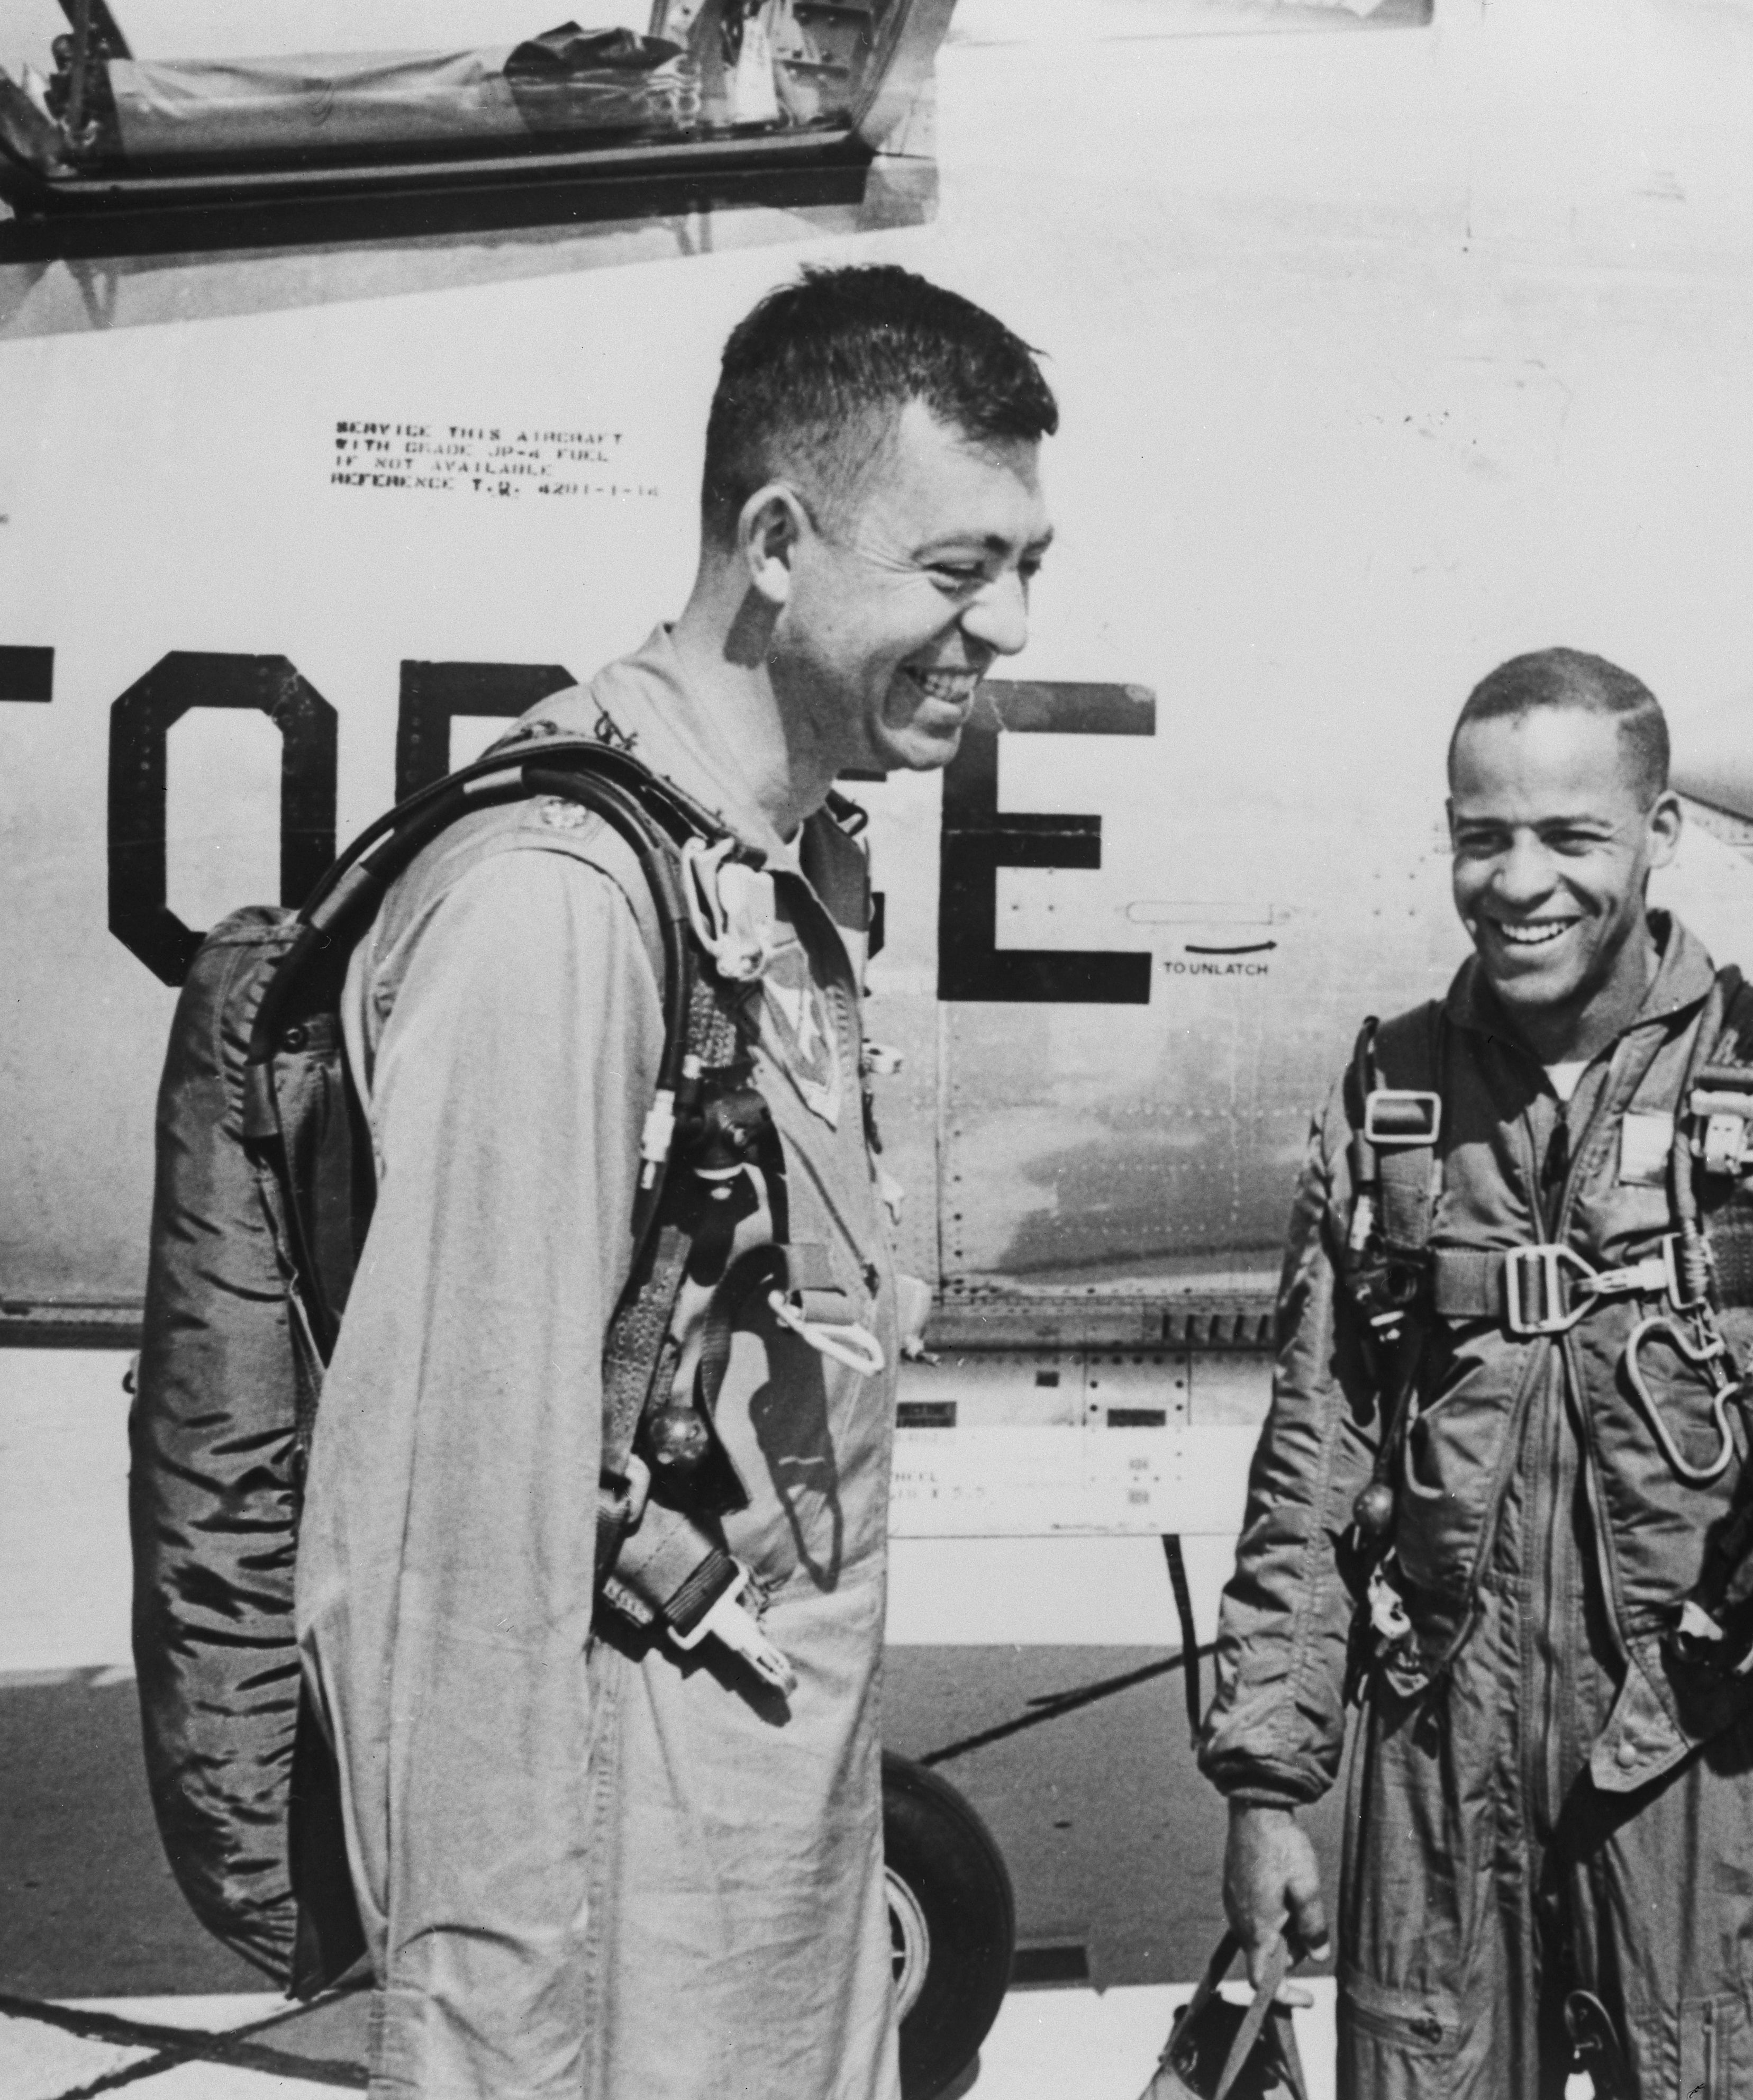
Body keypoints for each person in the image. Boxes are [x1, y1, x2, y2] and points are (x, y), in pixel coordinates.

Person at [295, 264, 1056, 2097]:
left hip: (760, 1913)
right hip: (623, 1957)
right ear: (779, 537)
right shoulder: (563, 907)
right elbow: (449, 1564)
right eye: (958, 571)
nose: (1010, 627)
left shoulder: (763, 881)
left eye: (1030, 566)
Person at [1201, 649, 1753, 2098]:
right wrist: (1268, 1786)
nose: (1519, 883)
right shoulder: (1392, 1105)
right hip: (1435, 1779)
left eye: (1571, 837)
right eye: (1481, 837)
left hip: (1697, 1774)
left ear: (1661, 837)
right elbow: (1314, 1463)